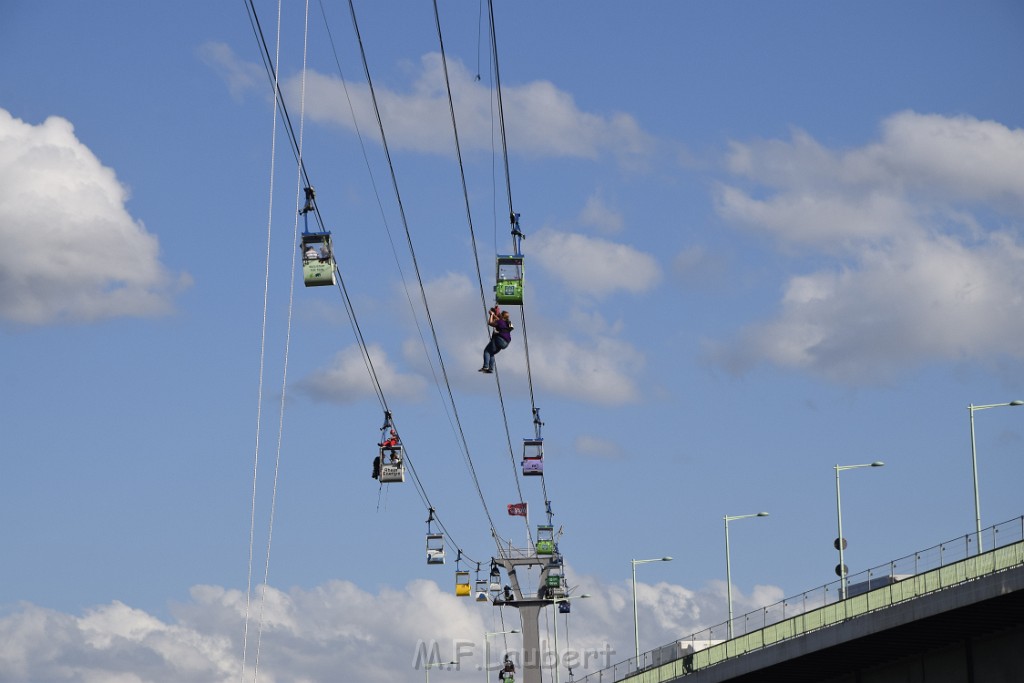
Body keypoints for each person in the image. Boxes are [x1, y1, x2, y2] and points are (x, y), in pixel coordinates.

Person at [480, 307, 512, 373]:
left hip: (500, 340)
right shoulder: (506, 322)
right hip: (506, 343)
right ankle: (491, 368)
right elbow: (498, 316)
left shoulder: (500, 321)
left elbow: (490, 323)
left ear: (502, 316)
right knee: (491, 352)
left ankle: (485, 367)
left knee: (486, 351)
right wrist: (496, 309)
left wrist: (491, 315)